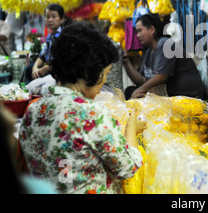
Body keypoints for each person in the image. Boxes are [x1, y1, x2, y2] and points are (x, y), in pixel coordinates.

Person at [19, 21, 147, 194]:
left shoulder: (32, 112)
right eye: (106, 73)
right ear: (89, 72)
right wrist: (131, 129)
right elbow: (127, 168)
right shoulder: (92, 114)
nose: (104, 81)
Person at [123, 13, 207, 100]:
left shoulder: (166, 44)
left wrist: (139, 91)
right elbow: (142, 80)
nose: (137, 35)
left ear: (151, 30)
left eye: (140, 31)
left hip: (187, 95)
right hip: (168, 94)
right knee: (130, 91)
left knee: (136, 94)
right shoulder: (149, 52)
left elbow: (161, 77)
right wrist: (126, 62)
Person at [31, 3, 70, 80]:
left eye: (54, 16)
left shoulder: (65, 36)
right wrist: (35, 67)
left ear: (62, 19)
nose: (50, 20)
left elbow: (65, 60)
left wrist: (47, 68)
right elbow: (42, 55)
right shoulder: (50, 37)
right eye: (47, 17)